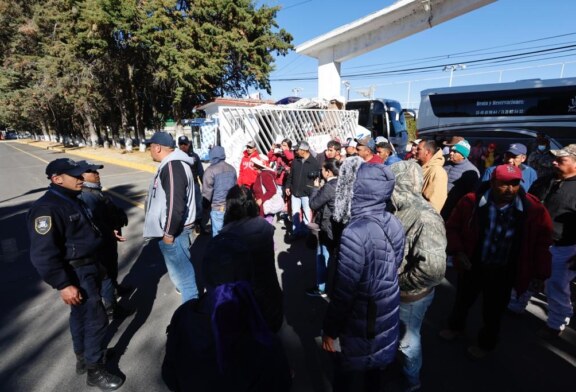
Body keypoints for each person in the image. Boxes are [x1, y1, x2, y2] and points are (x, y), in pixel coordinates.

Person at [162, 187, 290, 391]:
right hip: (270, 297)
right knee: (266, 351)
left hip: (246, 305)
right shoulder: (265, 228)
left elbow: (171, 373)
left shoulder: (228, 237)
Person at [27, 158, 123, 390]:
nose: (82, 179)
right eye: (76, 176)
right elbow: (43, 254)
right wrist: (63, 284)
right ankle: (95, 370)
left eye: (81, 175)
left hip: (89, 267)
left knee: (81, 317)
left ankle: (84, 358)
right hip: (76, 272)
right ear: (57, 179)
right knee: (96, 319)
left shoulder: (70, 199)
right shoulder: (47, 209)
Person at [440, 164, 553, 359]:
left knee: (494, 311)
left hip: (504, 269)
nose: (510, 189)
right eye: (504, 184)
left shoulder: (533, 208)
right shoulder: (470, 202)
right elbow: (453, 227)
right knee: (462, 300)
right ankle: (455, 328)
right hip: (473, 264)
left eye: (515, 184)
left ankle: (486, 344)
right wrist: (458, 251)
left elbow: (542, 242)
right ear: (492, 182)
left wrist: (540, 273)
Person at [322, 163, 405, 392]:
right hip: (385, 310)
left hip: (360, 319)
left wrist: (330, 330)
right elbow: (396, 263)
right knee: (374, 373)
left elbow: (344, 291)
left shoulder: (354, 232)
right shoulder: (393, 221)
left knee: (346, 373)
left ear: (359, 189)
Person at [389, 160, 447, 392]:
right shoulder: (395, 207)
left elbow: (431, 271)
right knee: (396, 335)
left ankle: (412, 379)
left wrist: (397, 284)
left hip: (411, 295)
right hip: (395, 291)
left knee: (408, 342)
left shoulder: (425, 217)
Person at [525, 144, 576, 338]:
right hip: (534, 241)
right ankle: (515, 305)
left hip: (564, 248)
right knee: (526, 275)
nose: (554, 162)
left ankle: (556, 323)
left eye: (561, 160)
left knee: (556, 286)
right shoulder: (544, 181)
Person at [143, 132, 198, 303]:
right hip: (173, 230)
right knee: (179, 272)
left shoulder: (173, 166)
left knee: (184, 275)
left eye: (150, 147)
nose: (149, 151)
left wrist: (168, 233)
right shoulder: (170, 164)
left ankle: (192, 313)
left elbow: (175, 205)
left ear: (157, 147)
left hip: (175, 231)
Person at [77, 160, 132, 320]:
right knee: (106, 273)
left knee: (112, 269)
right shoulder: (86, 195)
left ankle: (115, 289)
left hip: (108, 239)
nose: (97, 174)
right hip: (102, 242)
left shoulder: (94, 191)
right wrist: (109, 232)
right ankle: (111, 308)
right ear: (82, 175)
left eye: (97, 172)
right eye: (93, 172)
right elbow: (92, 223)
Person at [307, 158, 341, 298]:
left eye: (322, 170)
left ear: (328, 172)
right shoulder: (344, 183)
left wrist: (315, 188)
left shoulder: (330, 186)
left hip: (328, 226)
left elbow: (314, 204)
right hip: (338, 226)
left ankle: (322, 287)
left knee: (322, 256)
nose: (320, 172)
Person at [284, 140, 319, 240]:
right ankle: (296, 232)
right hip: (295, 192)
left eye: (297, 149)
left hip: (307, 194)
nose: (295, 151)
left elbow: (316, 180)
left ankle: (308, 234)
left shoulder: (314, 163)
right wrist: (287, 186)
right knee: (295, 213)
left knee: (307, 215)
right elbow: (291, 175)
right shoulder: (295, 161)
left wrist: (312, 192)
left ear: (304, 150)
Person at [202, 145, 237, 237]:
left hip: (218, 208)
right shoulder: (232, 169)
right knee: (230, 234)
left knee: (218, 236)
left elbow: (207, 192)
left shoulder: (210, 171)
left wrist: (205, 207)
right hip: (231, 207)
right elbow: (235, 188)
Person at [441, 139, 480, 221]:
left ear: (463, 155)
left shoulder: (471, 171)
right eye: (451, 150)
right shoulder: (445, 164)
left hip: (452, 210)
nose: (451, 153)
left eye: (455, 152)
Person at [178, 136, 205, 230]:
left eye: (185, 144)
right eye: (181, 144)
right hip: (181, 185)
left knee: (198, 204)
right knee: (183, 205)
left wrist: (204, 185)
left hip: (194, 184)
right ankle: (185, 224)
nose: (183, 146)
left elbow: (201, 171)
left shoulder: (194, 156)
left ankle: (198, 223)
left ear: (188, 144)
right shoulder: (176, 157)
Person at [415, 139, 447, 213]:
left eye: (419, 149)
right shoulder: (417, 165)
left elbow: (434, 206)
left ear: (427, 152)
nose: (415, 151)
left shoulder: (438, 172)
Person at [250, 156, 277, 224]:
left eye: (255, 163)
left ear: (259, 165)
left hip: (264, 208)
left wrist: (261, 199)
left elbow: (272, 190)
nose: (253, 164)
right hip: (261, 207)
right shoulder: (261, 174)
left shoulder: (265, 175)